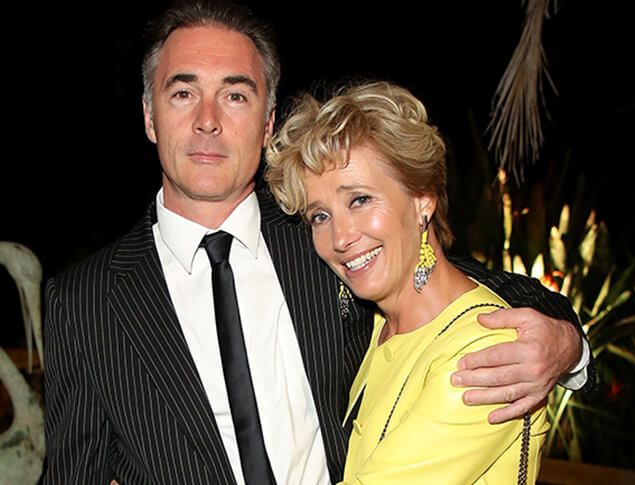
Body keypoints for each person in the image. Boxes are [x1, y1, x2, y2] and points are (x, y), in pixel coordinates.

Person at [42, 1, 592, 484]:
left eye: (235, 95)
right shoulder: (83, 302)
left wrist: (566, 346)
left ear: (267, 122)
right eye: (183, 92)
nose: (208, 121)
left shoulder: (323, 241)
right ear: (149, 115)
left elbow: (453, 286)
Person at [265, 80, 550, 484]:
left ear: (423, 199)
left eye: (360, 200)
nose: (340, 238)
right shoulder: (376, 327)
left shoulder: (487, 355)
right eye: (320, 217)